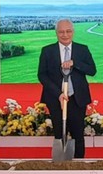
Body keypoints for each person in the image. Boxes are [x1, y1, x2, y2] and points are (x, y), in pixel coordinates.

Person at [37, 19, 96, 158]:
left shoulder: (83, 49)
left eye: (68, 31)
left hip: (77, 98)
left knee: (78, 134)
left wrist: (75, 63)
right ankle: (61, 164)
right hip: (55, 98)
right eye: (61, 32)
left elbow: (92, 70)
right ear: (56, 33)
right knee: (59, 132)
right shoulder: (47, 51)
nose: (65, 35)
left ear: (73, 32)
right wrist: (58, 94)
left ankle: (79, 165)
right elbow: (42, 75)